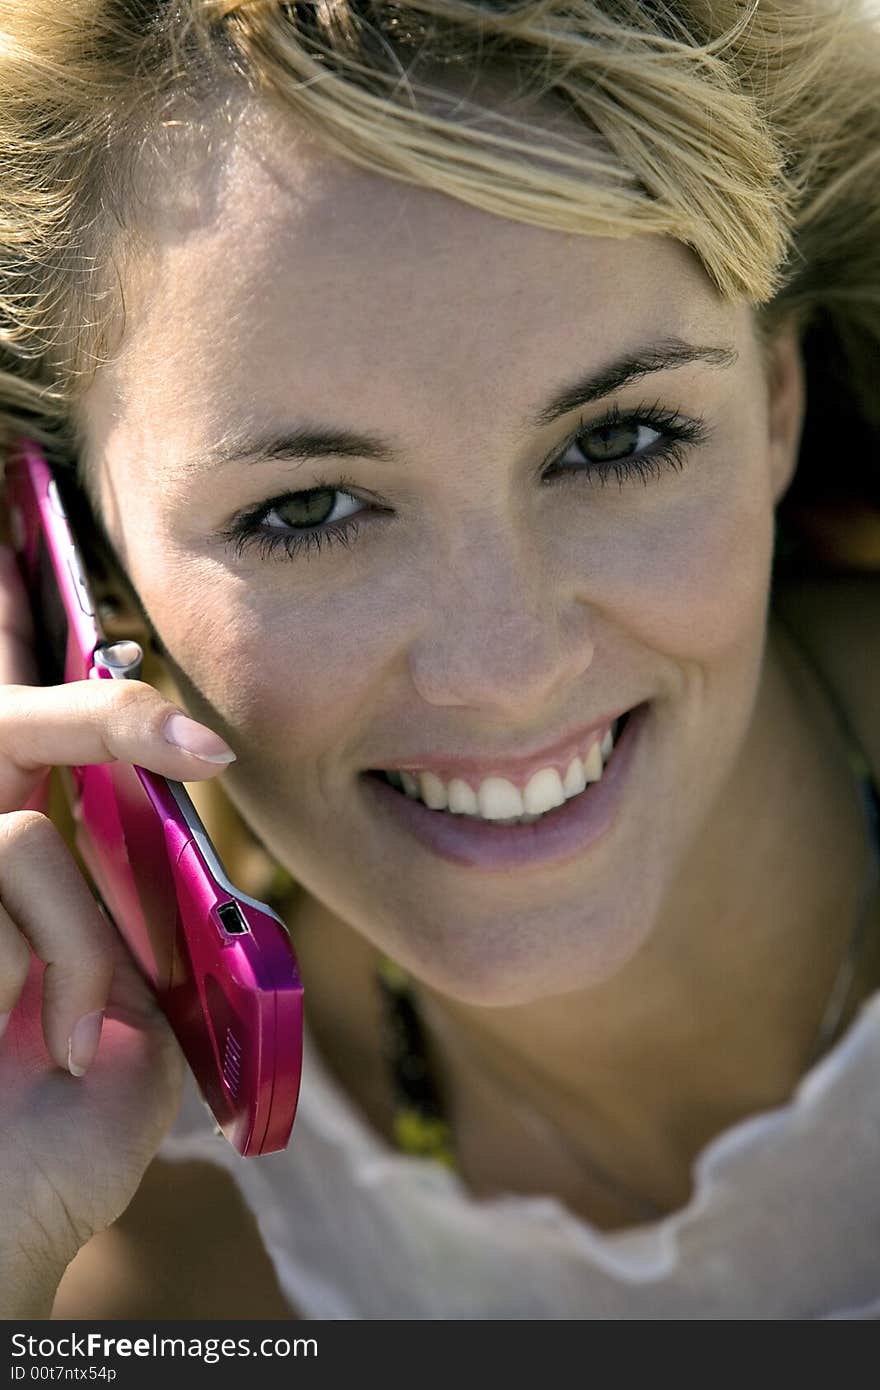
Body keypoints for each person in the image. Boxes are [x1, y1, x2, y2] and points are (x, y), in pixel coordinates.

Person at [1, 0, 879, 1320]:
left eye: (618, 439)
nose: (506, 666)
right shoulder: (145, 1198)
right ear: (76, 557)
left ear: (776, 400)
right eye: (306, 510)